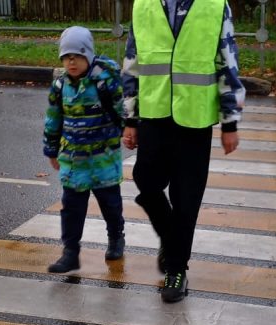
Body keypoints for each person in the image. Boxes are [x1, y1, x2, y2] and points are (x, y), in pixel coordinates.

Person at [121, 0, 245, 303]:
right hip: (154, 114)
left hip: (195, 118)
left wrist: (230, 123)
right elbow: (132, 65)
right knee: (146, 180)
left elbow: (227, 62)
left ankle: (176, 269)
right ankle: (171, 237)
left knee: (186, 198)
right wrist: (130, 118)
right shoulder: (144, 5)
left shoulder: (215, 6)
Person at [43, 26, 126, 274]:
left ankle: (115, 238)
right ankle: (70, 253)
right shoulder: (60, 86)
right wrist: (51, 149)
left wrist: (133, 130)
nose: (71, 61)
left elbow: (123, 109)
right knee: (71, 208)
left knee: (111, 204)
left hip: (104, 159)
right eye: (66, 57)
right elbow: (53, 118)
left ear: (88, 56)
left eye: (77, 56)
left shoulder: (105, 81)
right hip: (74, 161)